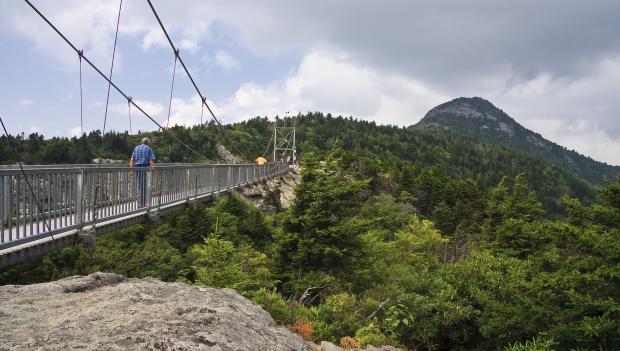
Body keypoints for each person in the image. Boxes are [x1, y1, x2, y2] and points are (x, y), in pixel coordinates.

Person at [130, 137, 155, 207]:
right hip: (145, 168)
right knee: (144, 186)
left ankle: (140, 202)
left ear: (142, 142)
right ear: (148, 143)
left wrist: (131, 170)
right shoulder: (149, 149)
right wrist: (153, 170)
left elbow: (132, 160)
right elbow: (151, 161)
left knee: (140, 185)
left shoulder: (136, 148)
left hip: (137, 168)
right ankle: (142, 203)